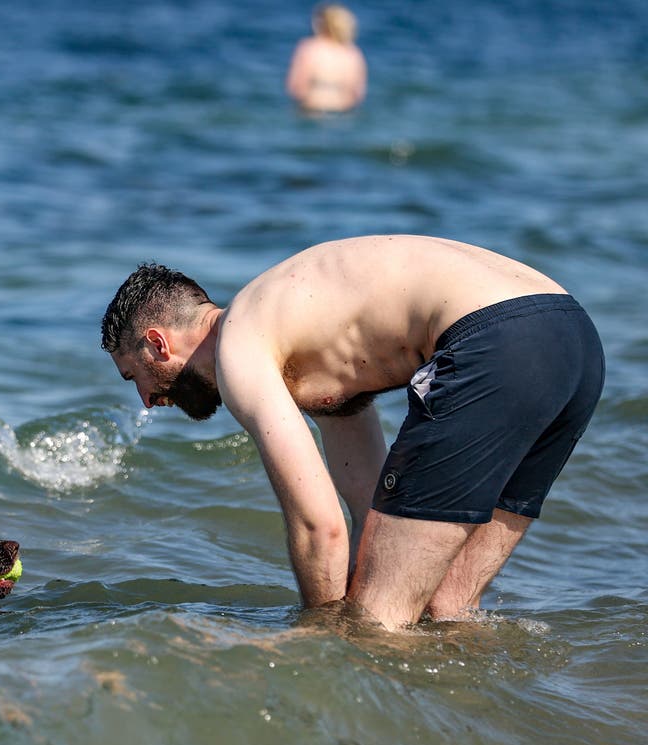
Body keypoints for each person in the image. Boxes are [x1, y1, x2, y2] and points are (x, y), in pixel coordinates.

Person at [100, 235, 604, 631]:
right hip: (572, 338)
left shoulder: (239, 348)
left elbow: (320, 528)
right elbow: (369, 512)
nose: (146, 400)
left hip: (495, 340)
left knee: (375, 625)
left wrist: (320, 648)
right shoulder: (304, 336)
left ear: (158, 344)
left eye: (134, 378)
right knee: (445, 606)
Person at [285, 3, 367, 113]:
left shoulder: (309, 48)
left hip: (313, 109)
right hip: (343, 111)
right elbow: (357, 94)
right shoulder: (353, 53)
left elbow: (296, 87)